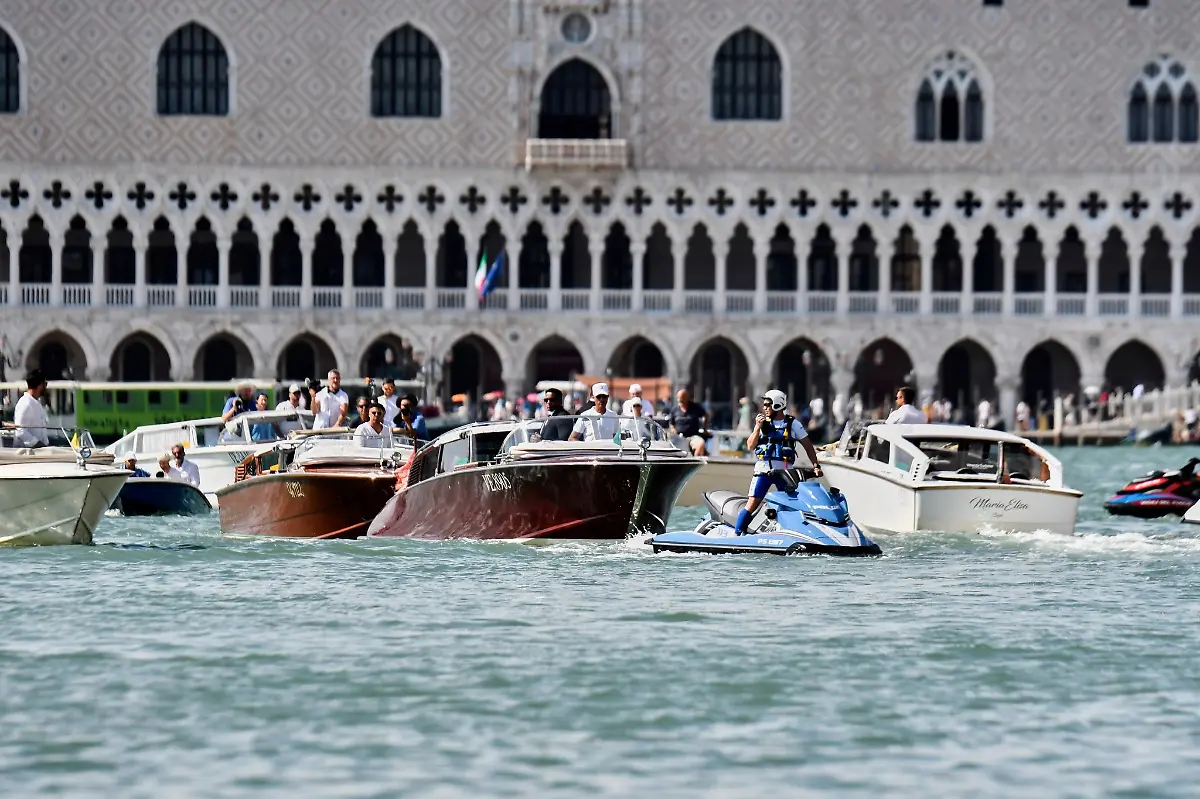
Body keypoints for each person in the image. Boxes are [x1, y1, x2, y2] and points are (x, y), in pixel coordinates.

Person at [735, 389, 824, 535]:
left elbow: (808, 446)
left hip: (785, 472)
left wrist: (816, 466)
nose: (764, 408)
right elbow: (750, 446)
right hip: (763, 470)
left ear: (777, 405)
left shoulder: (793, 424)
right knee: (752, 503)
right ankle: (738, 534)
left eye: (767, 405)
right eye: (764, 404)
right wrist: (757, 427)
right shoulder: (762, 423)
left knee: (791, 504)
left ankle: (796, 532)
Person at [12, 369, 50, 448]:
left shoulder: (37, 402)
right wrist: (37, 444)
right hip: (27, 454)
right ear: (40, 386)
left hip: (41, 452)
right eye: (45, 384)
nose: (46, 387)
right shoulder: (25, 403)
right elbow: (20, 430)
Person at [668, 389, 708, 456]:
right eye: (679, 400)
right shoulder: (674, 409)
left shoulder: (695, 407)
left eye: (683, 400)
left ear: (687, 398)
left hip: (693, 436)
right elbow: (671, 423)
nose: (681, 402)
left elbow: (705, 415)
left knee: (701, 444)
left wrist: (704, 428)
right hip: (679, 437)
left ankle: (696, 460)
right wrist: (673, 430)